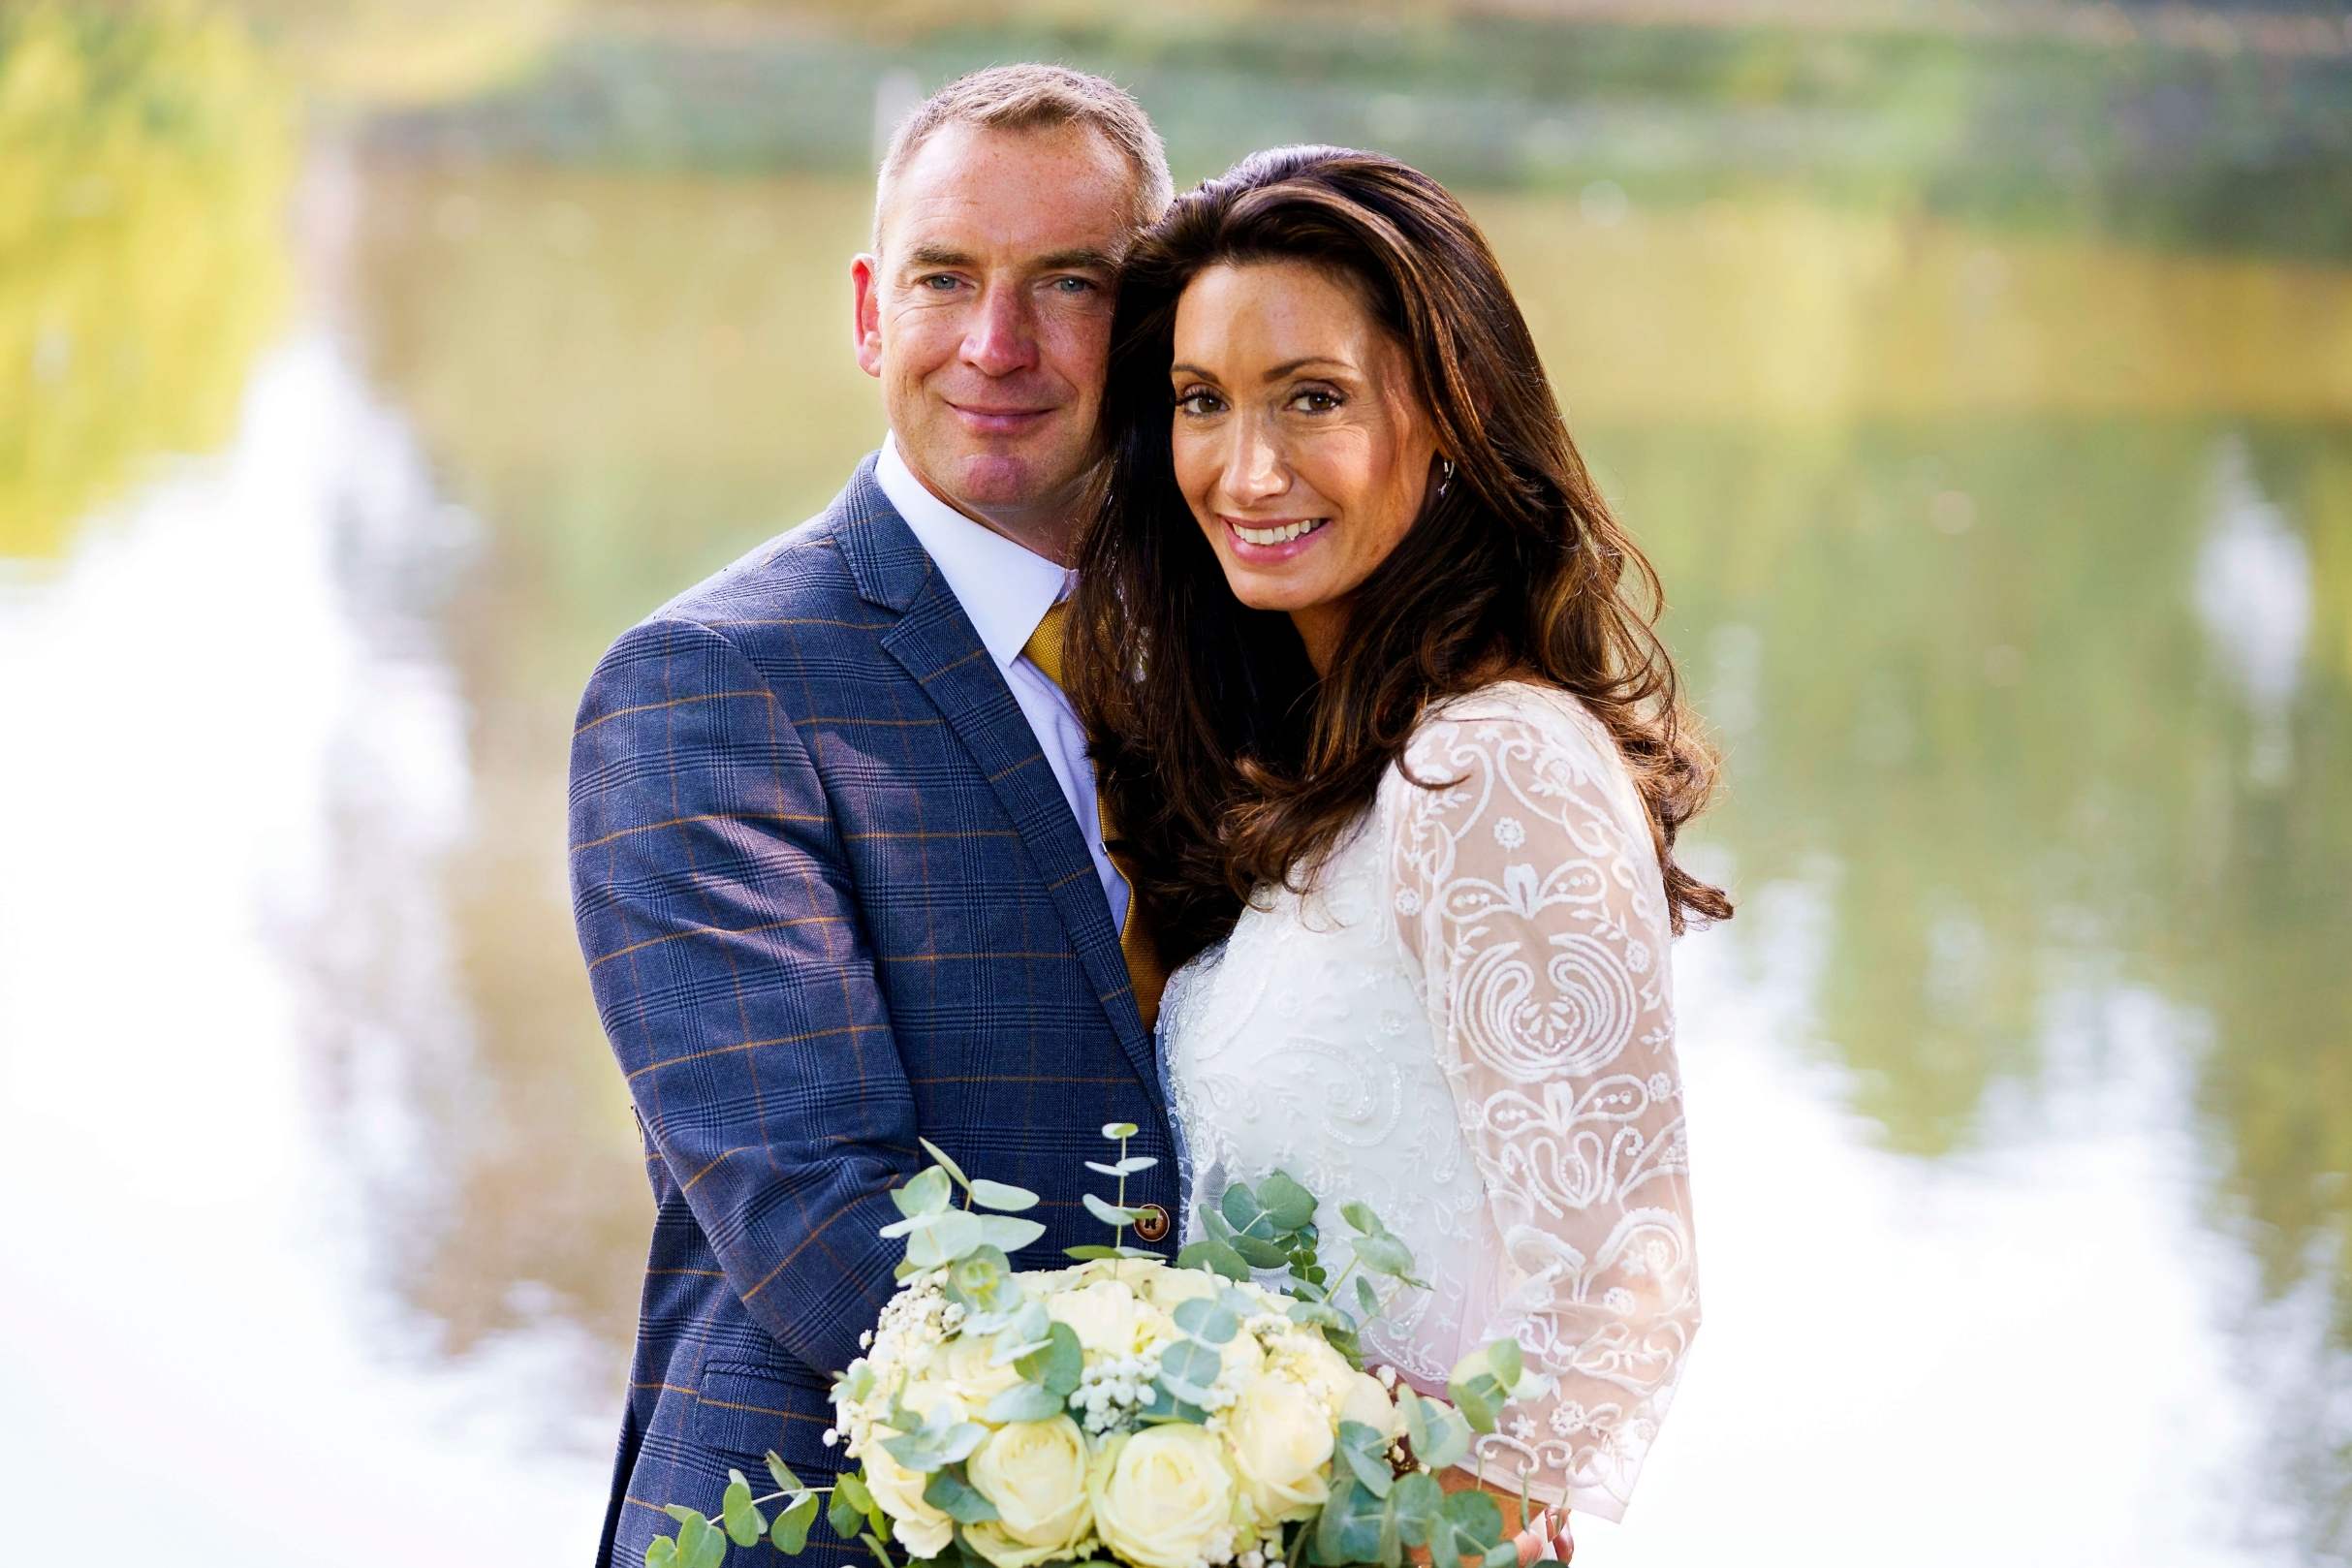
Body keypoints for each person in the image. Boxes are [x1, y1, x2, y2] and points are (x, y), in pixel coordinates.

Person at [1067, 146, 1733, 1546]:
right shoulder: (1331, 771)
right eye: (1203, 403)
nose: (1245, 469)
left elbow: (1627, 1282)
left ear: (1449, 418)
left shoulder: (1491, 762)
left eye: (1314, 398)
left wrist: (1436, 1532)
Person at [565, 66, 1183, 1568]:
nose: (997, 344)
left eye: (1070, 285)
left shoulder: (1225, 662)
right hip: (823, 1519)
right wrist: (1196, 1447)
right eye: (945, 278)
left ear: (1156, 325)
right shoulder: (709, 686)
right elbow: (816, 1217)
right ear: (866, 312)